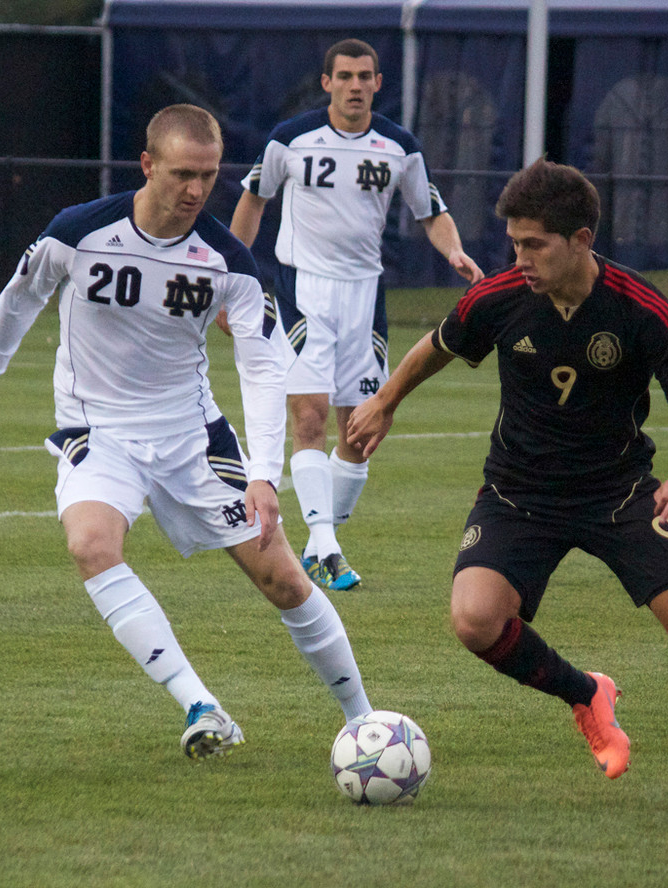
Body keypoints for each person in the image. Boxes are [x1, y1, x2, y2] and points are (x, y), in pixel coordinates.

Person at [347, 158, 668, 815]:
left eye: (534, 244)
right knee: (473, 620)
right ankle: (585, 695)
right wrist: (384, 402)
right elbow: (436, 345)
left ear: (581, 239)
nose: (519, 257)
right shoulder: (498, 298)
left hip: (618, 494)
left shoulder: (639, 310)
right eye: (514, 243)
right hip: (516, 495)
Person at [0, 103, 373, 761]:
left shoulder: (226, 260)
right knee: (92, 544)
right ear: (147, 165)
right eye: (181, 173)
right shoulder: (80, 232)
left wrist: (265, 475)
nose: (195, 191)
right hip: (99, 434)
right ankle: (200, 705)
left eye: (208, 176)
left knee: (286, 584)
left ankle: (365, 721)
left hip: (192, 441)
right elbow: (19, 298)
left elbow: (262, 367)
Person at [223, 37, 484, 592]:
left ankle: (323, 542)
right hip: (303, 291)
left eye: (365, 76)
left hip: (365, 299)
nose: (355, 86)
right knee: (310, 417)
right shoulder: (290, 139)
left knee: (362, 434)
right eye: (344, 76)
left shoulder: (398, 147)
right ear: (327, 83)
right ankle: (325, 545)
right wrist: (229, 277)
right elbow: (253, 199)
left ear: (378, 83)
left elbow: (430, 210)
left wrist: (454, 251)